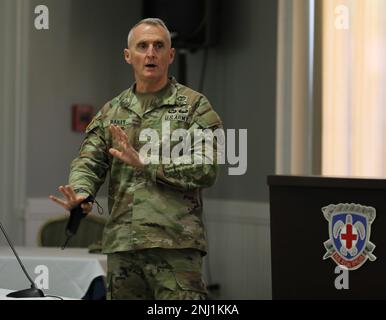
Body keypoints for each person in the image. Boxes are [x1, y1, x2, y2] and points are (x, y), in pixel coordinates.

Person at [49, 18, 223, 300]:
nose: (151, 53)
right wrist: (82, 193)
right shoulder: (112, 111)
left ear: (170, 55)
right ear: (128, 56)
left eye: (159, 45)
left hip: (175, 245)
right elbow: (88, 162)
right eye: (142, 46)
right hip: (123, 245)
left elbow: (207, 168)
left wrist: (146, 163)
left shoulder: (194, 106)